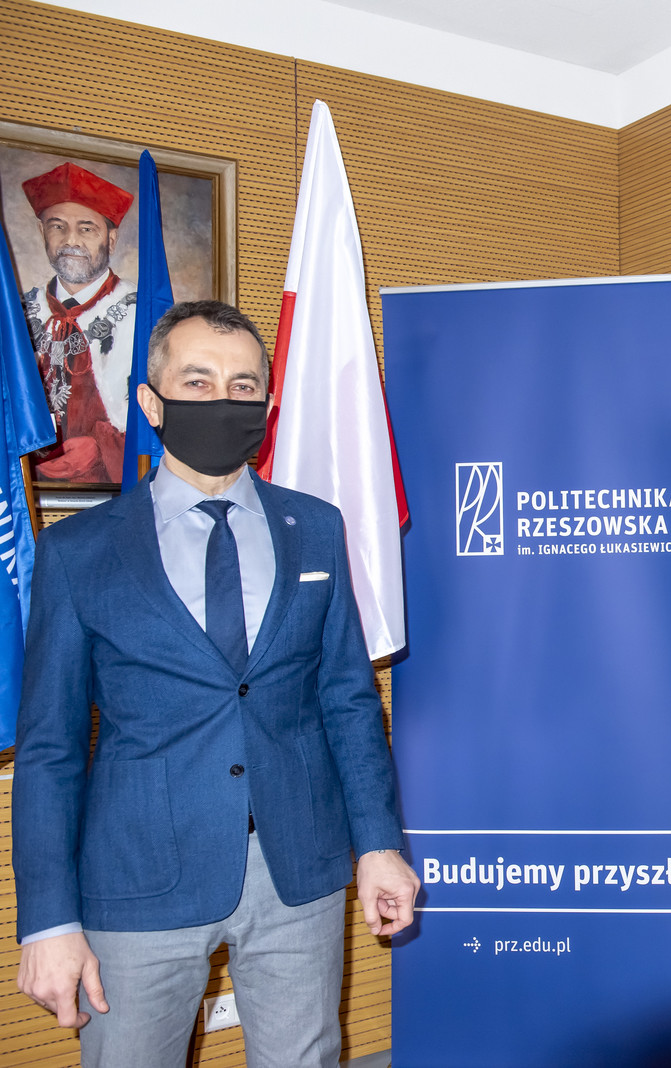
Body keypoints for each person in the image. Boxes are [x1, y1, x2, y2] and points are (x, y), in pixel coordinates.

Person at [11, 301, 420, 1067]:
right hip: (139, 879)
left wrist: (377, 845)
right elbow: (50, 750)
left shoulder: (316, 528)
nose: (222, 400)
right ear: (150, 401)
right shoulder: (78, 553)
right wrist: (47, 921)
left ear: (268, 402)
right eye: (197, 382)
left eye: (242, 385)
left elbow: (347, 703)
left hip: (299, 871)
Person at [19, 161, 140, 483]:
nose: (71, 240)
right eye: (57, 226)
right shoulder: (18, 311)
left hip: (114, 487)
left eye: (86, 229)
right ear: (42, 233)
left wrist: (102, 448)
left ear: (110, 239)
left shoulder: (145, 313)